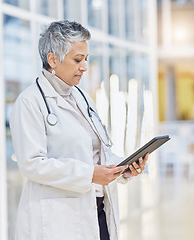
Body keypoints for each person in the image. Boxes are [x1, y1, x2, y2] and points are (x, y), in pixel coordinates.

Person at [10, 20, 149, 240]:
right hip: (58, 220)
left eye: (85, 59)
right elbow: (32, 164)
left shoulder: (82, 97)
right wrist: (90, 174)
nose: (84, 66)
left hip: (98, 212)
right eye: (77, 60)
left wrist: (123, 168)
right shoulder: (30, 102)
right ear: (53, 59)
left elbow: (96, 151)